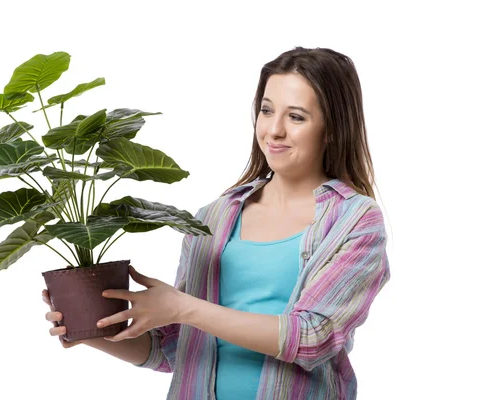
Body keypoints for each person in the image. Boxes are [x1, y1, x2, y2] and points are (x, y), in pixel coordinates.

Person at [42, 46, 391, 399]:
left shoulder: (355, 221)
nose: (274, 130)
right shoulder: (215, 217)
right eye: (267, 111)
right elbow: (175, 350)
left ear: (332, 129)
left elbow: (313, 337)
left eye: (296, 117)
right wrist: (92, 328)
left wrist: (183, 307)